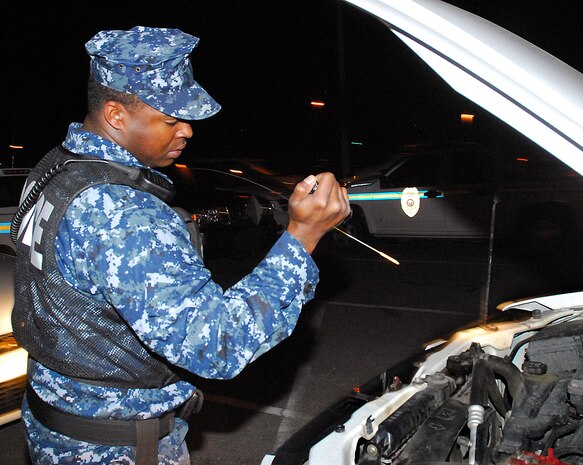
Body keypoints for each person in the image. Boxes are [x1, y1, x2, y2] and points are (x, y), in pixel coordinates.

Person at [12, 26, 350, 465]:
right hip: (115, 447)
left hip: (54, 421)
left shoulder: (56, 168)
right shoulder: (124, 215)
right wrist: (302, 237)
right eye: (170, 120)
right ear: (116, 115)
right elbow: (217, 344)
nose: (187, 131)